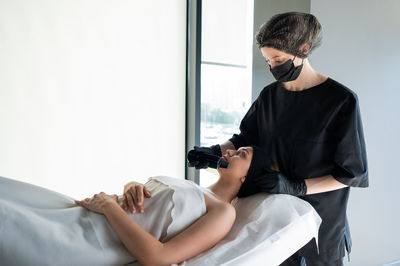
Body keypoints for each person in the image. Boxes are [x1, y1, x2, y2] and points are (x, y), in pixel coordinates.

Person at [191, 12, 369, 266]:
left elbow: (350, 174)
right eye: (268, 60)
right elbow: (244, 138)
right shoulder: (269, 97)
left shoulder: (340, 101)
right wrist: (211, 152)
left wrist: (296, 186)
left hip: (320, 230)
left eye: (278, 59)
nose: (273, 67)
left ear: (303, 49)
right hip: (273, 226)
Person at [0, 145, 269, 266]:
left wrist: (110, 208)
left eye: (240, 154)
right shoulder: (194, 186)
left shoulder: (224, 212)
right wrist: (132, 185)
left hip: (89, 241)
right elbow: (151, 204)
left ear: (247, 177)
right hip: (83, 213)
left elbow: (159, 257)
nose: (229, 152)